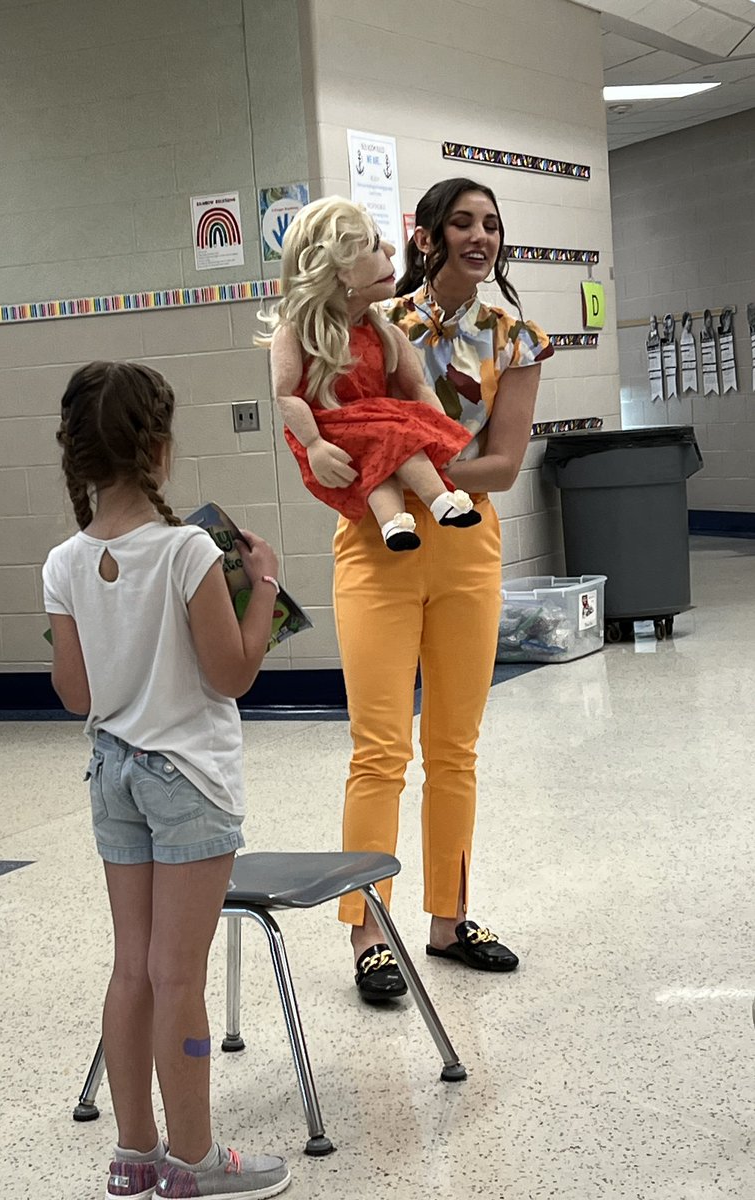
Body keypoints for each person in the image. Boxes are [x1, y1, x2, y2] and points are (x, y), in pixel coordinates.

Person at [42, 361, 291, 1199]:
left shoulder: (63, 563)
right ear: (159, 447)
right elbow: (232, 674)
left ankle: (135, 1153)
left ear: (78, 456)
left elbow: (75, 695)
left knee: (134, 970)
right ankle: (194, 1162)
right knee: (180, 973)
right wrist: (264, 589)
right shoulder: (188, 550)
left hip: (111, 774)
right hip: (188, 779)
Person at [332, 178, 554, 1000]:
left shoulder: (515, 336)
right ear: (424, 237)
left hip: (467, 547)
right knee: (379, 749)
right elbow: (337, 428)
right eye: (461, 222)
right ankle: (368, 933)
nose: (480, 236)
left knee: (455, 750)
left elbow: (503, 463)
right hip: (374, 546)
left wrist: (420, 470)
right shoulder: (374, 325)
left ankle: (449, 921)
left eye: (491, 224)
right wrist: (405, 472)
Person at [260, 195, 480, 553]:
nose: (392, 249)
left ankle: (395, 523)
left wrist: (442, 432)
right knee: (394, 435)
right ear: (340, 272)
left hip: (373, 424)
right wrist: (314, 444)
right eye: (375, 246)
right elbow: (286, 394)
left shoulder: (384, 332)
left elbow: (418, 387)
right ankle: (439, 500)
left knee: (386, 446)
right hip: (331, 428)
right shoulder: (297, 333)